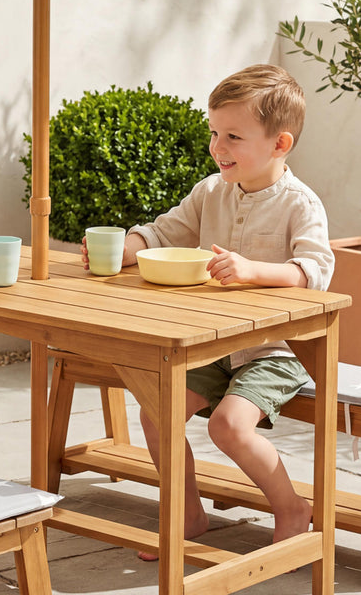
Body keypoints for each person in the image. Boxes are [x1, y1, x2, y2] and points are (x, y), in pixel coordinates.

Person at [82, 63, 333, 557]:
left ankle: (290, 508)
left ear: (279, 144)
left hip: (274, 350)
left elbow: (315, 270)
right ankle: (188, 512)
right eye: (214, 132)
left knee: (228, 427)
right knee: (157, 411)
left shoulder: (300, 204)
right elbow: (164, 231)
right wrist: (129, 247)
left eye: (233, 136)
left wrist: (253, 270)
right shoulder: (209, 191)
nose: (218, 147)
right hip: (214, 345)